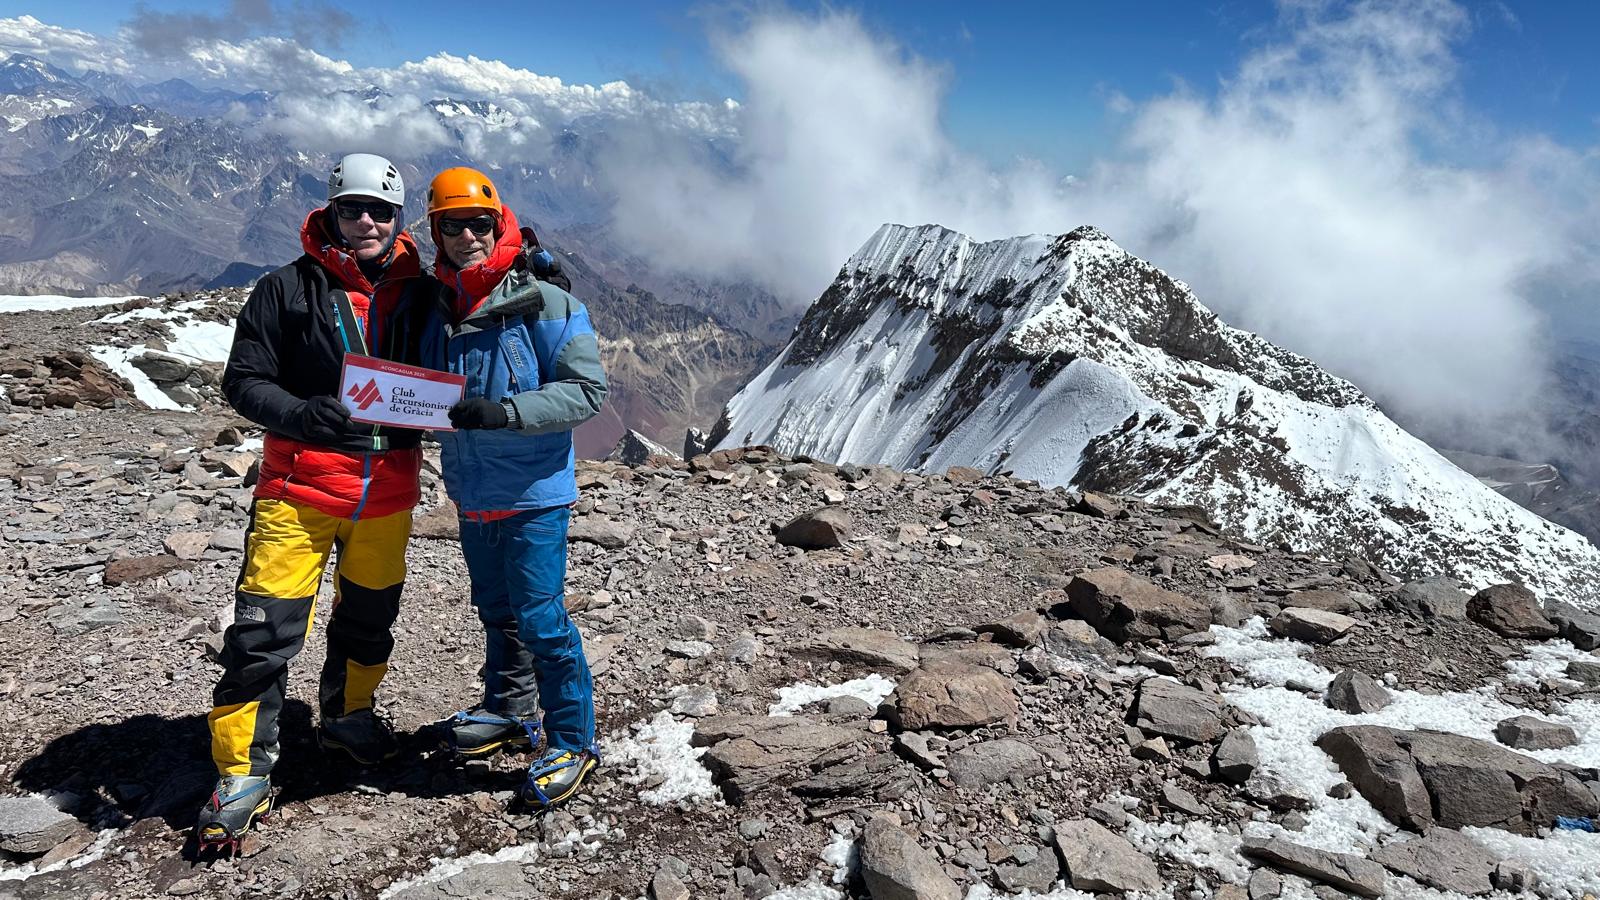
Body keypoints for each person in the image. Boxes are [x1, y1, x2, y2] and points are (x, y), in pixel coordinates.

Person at [195, 153, 427, 850]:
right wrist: (302, 415)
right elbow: (244, 380)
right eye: (352, 207)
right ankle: (241, 772)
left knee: (369, 621)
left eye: (380, 210)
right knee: (263, 633)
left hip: (387, 494)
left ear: (398, 218)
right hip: (297, 492)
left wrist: (531, 278)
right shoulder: (285, 289)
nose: (365, 221)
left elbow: (479, 310)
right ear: (329, 210)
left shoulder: (422, 292)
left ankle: (350, 718)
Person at [420, 166, 607, 809]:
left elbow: (588, 391)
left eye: (479, 223)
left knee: (542, 620)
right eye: (453, 225)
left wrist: (506, 413)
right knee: (497, 613)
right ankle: (509, 710)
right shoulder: (440, 305)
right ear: (436, 232)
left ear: (499, 224)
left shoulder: (549, 303)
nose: (467, 236)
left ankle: (573, 739)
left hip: (534, 493)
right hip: (474, 492)